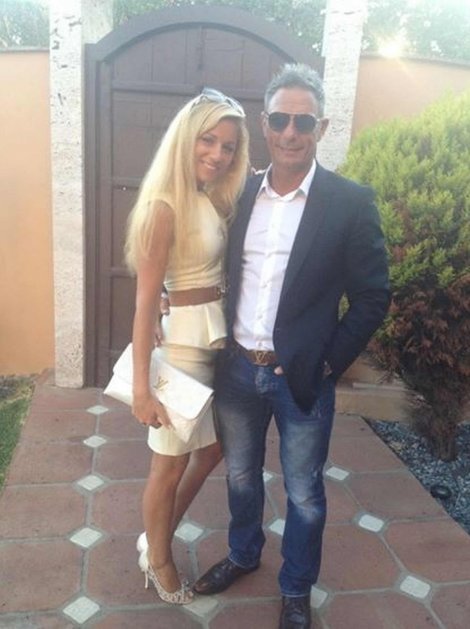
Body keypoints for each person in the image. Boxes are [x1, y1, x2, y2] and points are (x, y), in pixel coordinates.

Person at [192, 64, 390, 628]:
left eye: (304, 122)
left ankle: (297, 588)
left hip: (302, 376)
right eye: (280, 119)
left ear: (321, 127)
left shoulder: (349, 202)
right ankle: (243, 553)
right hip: (237, 369)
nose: (290, 132)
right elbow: (209, 262)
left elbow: (373, 295)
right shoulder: (240, 193)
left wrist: (328, 361)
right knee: (240, 476)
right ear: (265, 123)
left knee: (303, 493)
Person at [125, 88, 249, 605]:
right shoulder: (164, 205)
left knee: (214, 448)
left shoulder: (208, 196)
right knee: (169, 463)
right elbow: (144, 302)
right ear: (186, 138)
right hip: (182, 351)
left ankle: (154, 535)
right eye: (208, 140)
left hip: (213, 341)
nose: (218, 154)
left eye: (228, 146)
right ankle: (159, 559)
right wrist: (141, 388)